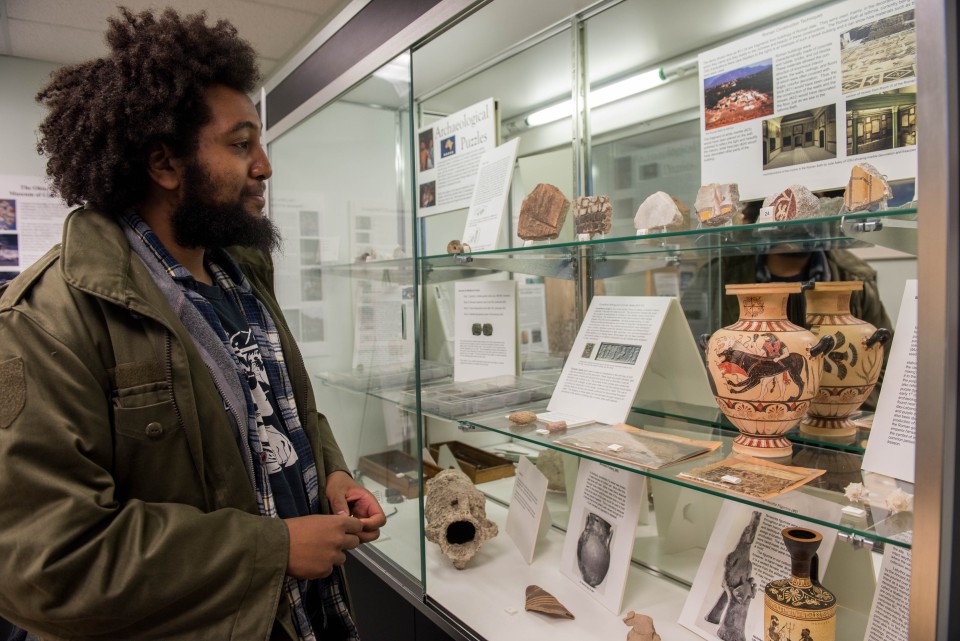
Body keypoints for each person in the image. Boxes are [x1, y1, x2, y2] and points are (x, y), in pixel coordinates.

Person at [0, 8, 384, 641]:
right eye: (240, 144)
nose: (264, 165)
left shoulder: (240, 274)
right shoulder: (50, 318)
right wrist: (271, 549)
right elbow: (47, 562)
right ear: (165, 164)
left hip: (303, 617)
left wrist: (332, 472)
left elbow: (282, 408)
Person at [682, 200, 894, 410]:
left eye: (805, 210)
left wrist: (831, 409)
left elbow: (888, 363)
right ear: (759, 216)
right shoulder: (716, 276)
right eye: (782, 213)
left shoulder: (855, 276)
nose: (794, 226)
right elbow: (689, 362)